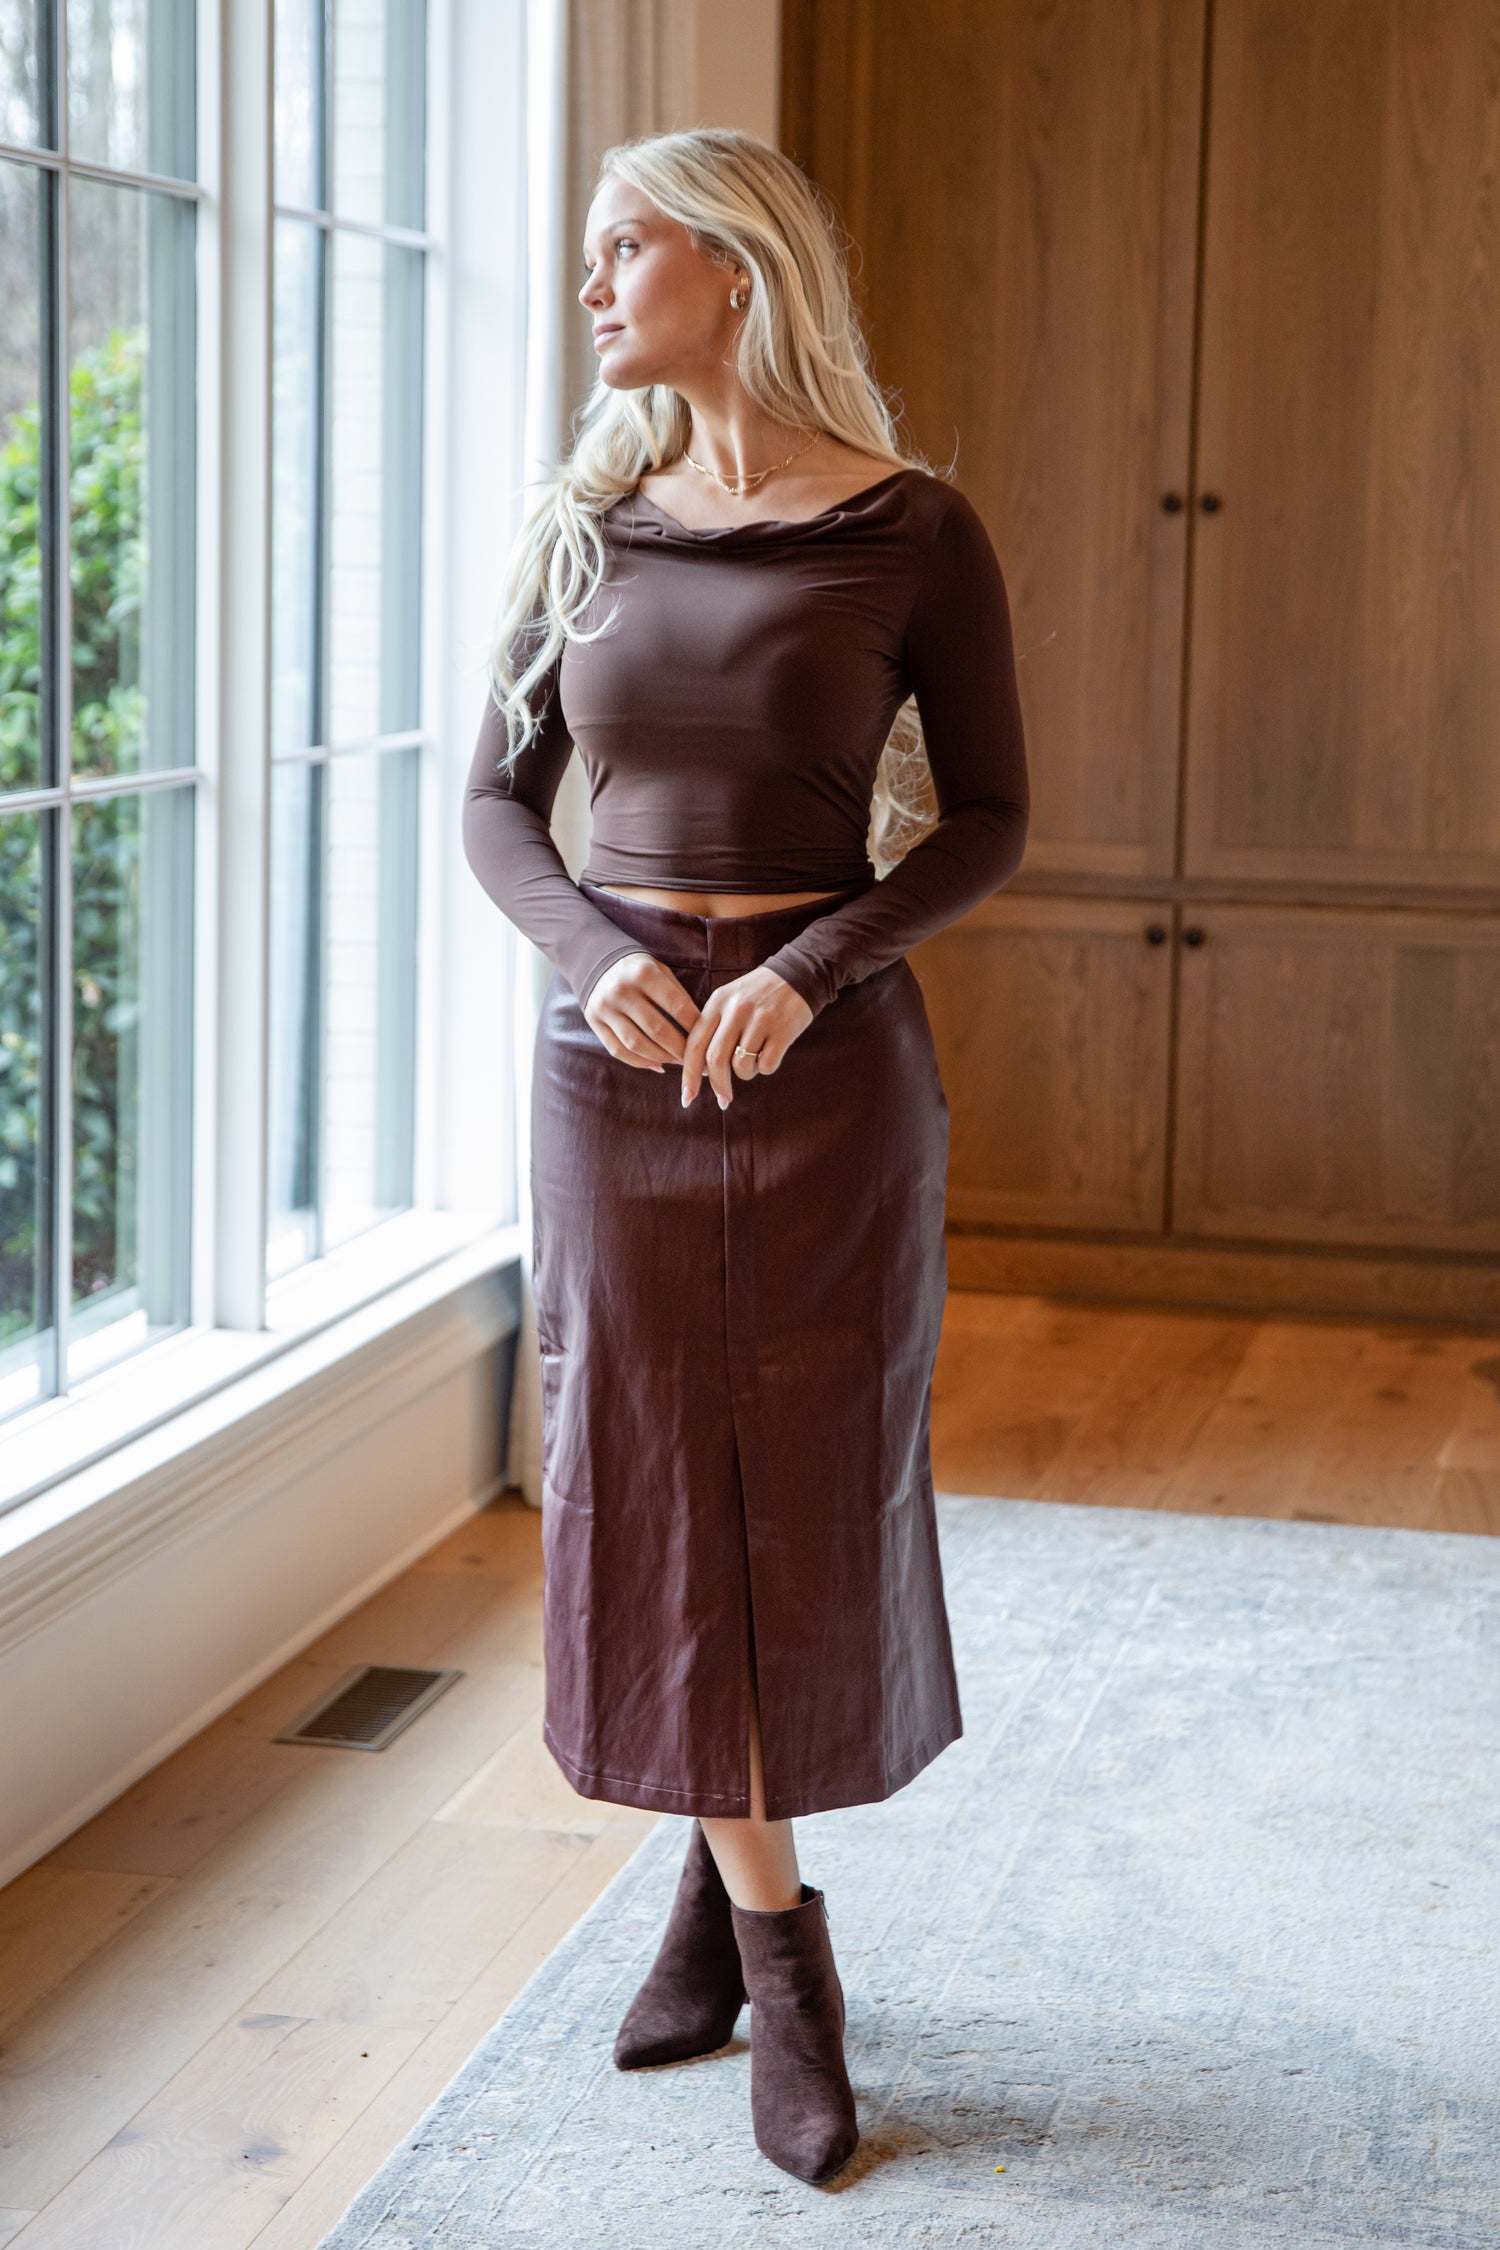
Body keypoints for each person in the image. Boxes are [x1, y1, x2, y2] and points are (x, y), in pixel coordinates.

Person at [462, 125, 1029, 2187]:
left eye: (625, 251)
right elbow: (499, 812)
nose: (593, 288)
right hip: (611, 1075)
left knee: (799, 1473)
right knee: (645, 1475)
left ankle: (718, 1893)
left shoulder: (911, 530)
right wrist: (589, 953)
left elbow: (984, 820)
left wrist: (817, 962)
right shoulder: (581, 522)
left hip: (825, 1068)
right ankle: (784, 1954)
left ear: (730, 267)